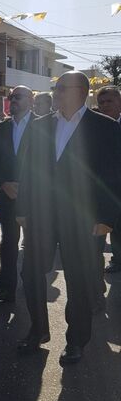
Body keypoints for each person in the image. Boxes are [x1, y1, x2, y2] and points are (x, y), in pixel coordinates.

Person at [17, 72, 121, 365]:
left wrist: (106, 218)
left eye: (62, 88)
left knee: (79, 281)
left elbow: (113, 177)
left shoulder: (104, 127)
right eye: (56, 88)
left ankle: (76, 340)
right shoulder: (41, 125)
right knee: (31, 274)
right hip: (42, 215)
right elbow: (28, 169)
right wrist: (23, 209)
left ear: (81, 92)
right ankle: (37, 331)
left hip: (83, 219)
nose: (56, 93)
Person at [0, 86, 35, 302]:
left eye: (18, 97)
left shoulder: (44, 126)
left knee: (34, 244)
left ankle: (33, 288)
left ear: (30, 99)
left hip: (34, 197)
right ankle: (6, 289)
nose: (13, 100)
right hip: (7, 197)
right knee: (8, 242)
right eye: (11, 97)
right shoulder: (0, 129)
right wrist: (2, 182)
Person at [95, 86, 121, 275]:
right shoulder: (95, 127)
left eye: (109, 101)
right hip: (104, 188)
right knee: (107, 226)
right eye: (101, 103)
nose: (105, 106)